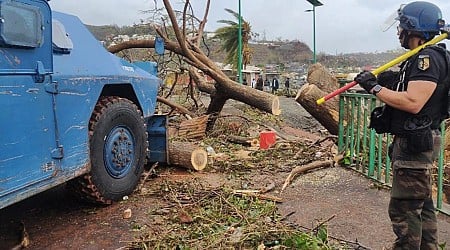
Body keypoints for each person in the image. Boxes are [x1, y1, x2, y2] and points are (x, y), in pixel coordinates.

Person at [354, 2, 449, 249]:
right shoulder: (421, 58)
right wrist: (389, 81)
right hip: (416, 143)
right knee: (422, 207)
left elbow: (414, 102)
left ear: (414, 29)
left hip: (415, 147)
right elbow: (412, 90)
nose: (399, 32)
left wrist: (375, 88)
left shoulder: (427, 59)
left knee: (405, 211)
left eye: (402, 27)